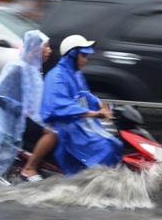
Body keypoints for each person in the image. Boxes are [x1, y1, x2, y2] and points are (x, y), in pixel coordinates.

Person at [39, 35, 122, 176]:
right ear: (72, 54)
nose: (85, 60)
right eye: (83, 55)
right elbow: (60, 106)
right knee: (105, 148)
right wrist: (96, 113)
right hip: (66, 127)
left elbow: (86, 95)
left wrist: (103, 105)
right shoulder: (56, 76)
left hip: (81, 125)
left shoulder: (76, 75)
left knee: (116, 144)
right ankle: (83, 182)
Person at [0, 30, 55, 183]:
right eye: (46, 47)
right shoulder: (16, 67)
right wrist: (20, 110)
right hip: (16, 119)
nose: (50, 51)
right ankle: (30, 168)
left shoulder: (34, 70)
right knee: (53, 132)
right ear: (35, 47)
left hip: (31, 118)